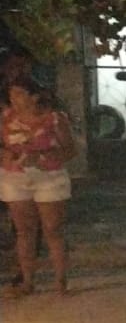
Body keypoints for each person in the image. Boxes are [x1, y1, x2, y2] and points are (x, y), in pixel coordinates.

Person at [1, 76, 76, 294]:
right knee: (24, 231)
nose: (14, 99)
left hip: (48, 177)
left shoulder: (53, 119)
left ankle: (61, 281)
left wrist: (42, 157)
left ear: (33, 97)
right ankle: (27, 281)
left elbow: (70, 150)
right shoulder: (5, 118)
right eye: (11, 95)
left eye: (19, 94)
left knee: (53, 230)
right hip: (15, 177)